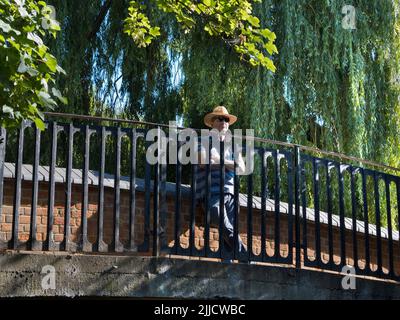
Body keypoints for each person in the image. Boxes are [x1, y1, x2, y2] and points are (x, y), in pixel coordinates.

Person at [195, 106, 249, 263]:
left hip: (230, 193)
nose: (224, 122)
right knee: (220, 221)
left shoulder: (233, 145)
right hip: (210, 192)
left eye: (226, 119)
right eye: (220, 119)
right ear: (212, 122)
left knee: (227, 234)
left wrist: (219, 160)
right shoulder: (202, 141)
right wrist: (229, 163)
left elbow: (242, 167)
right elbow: (203, 162)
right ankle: (244, 255)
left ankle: (227, 266)